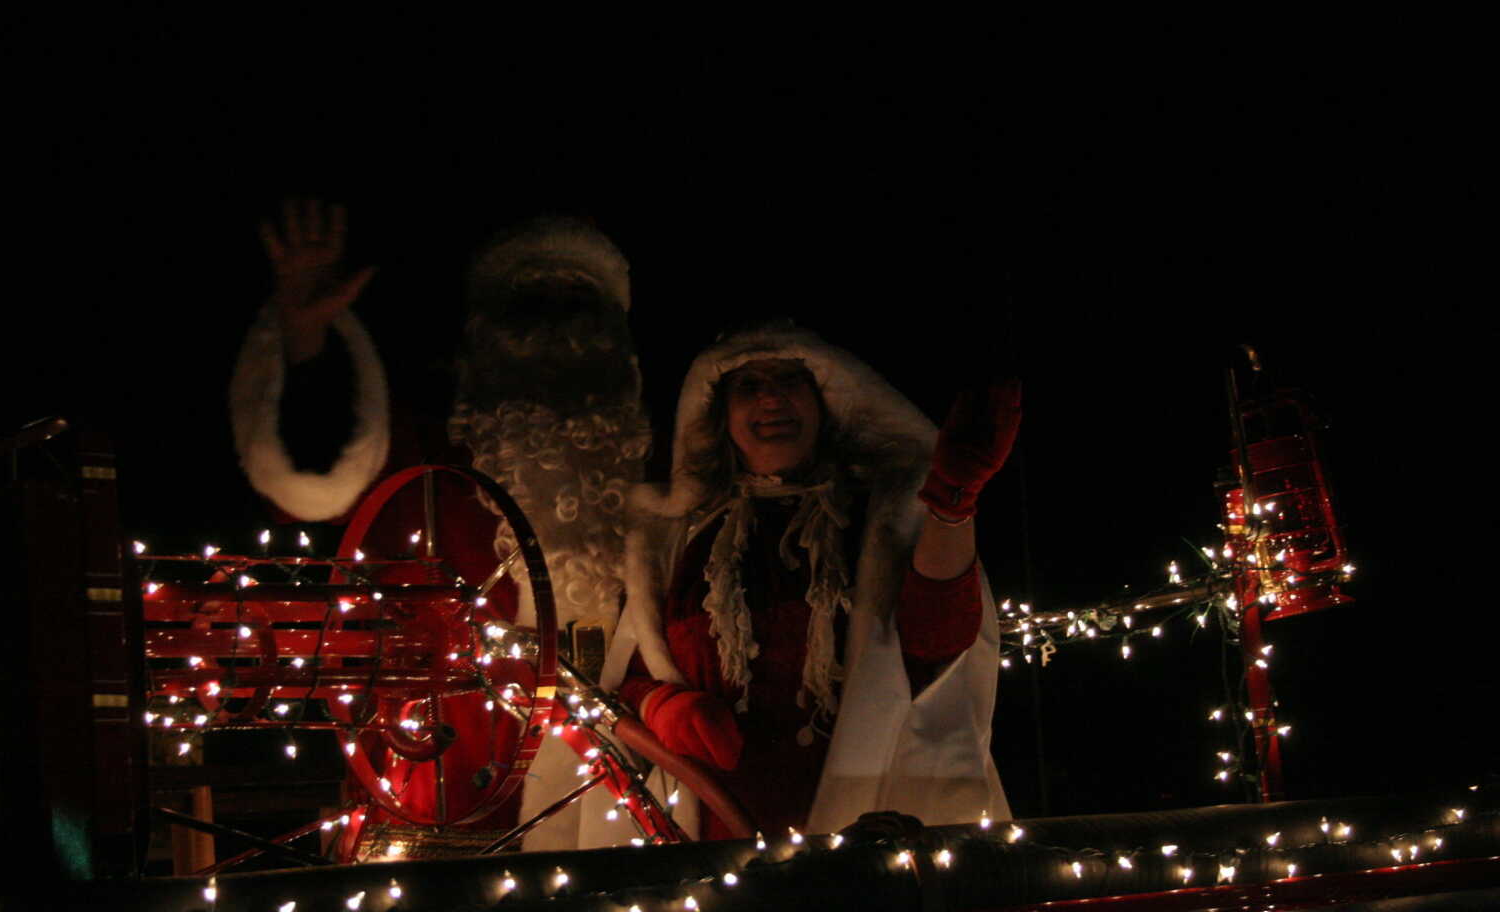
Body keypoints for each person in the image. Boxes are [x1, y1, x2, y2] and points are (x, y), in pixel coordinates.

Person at [229, 200, 650, 851]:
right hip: (441, 805)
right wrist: (305, 341)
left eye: (577, 300)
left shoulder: (652, 470)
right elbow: (312, 478)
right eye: (531, 300)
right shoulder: (424, 453)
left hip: (624, 811)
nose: (555, 322)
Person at [607, 323, 1019, 840]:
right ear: (719, 413)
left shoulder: (878, 521)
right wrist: (663, 707)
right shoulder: (679, 539)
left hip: (867, 832)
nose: (771, 398)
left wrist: (952, 502)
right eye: (749, 386)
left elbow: (937, 646)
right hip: (715, 844)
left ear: (825, 400)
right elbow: (630, 672)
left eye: (789, 381)